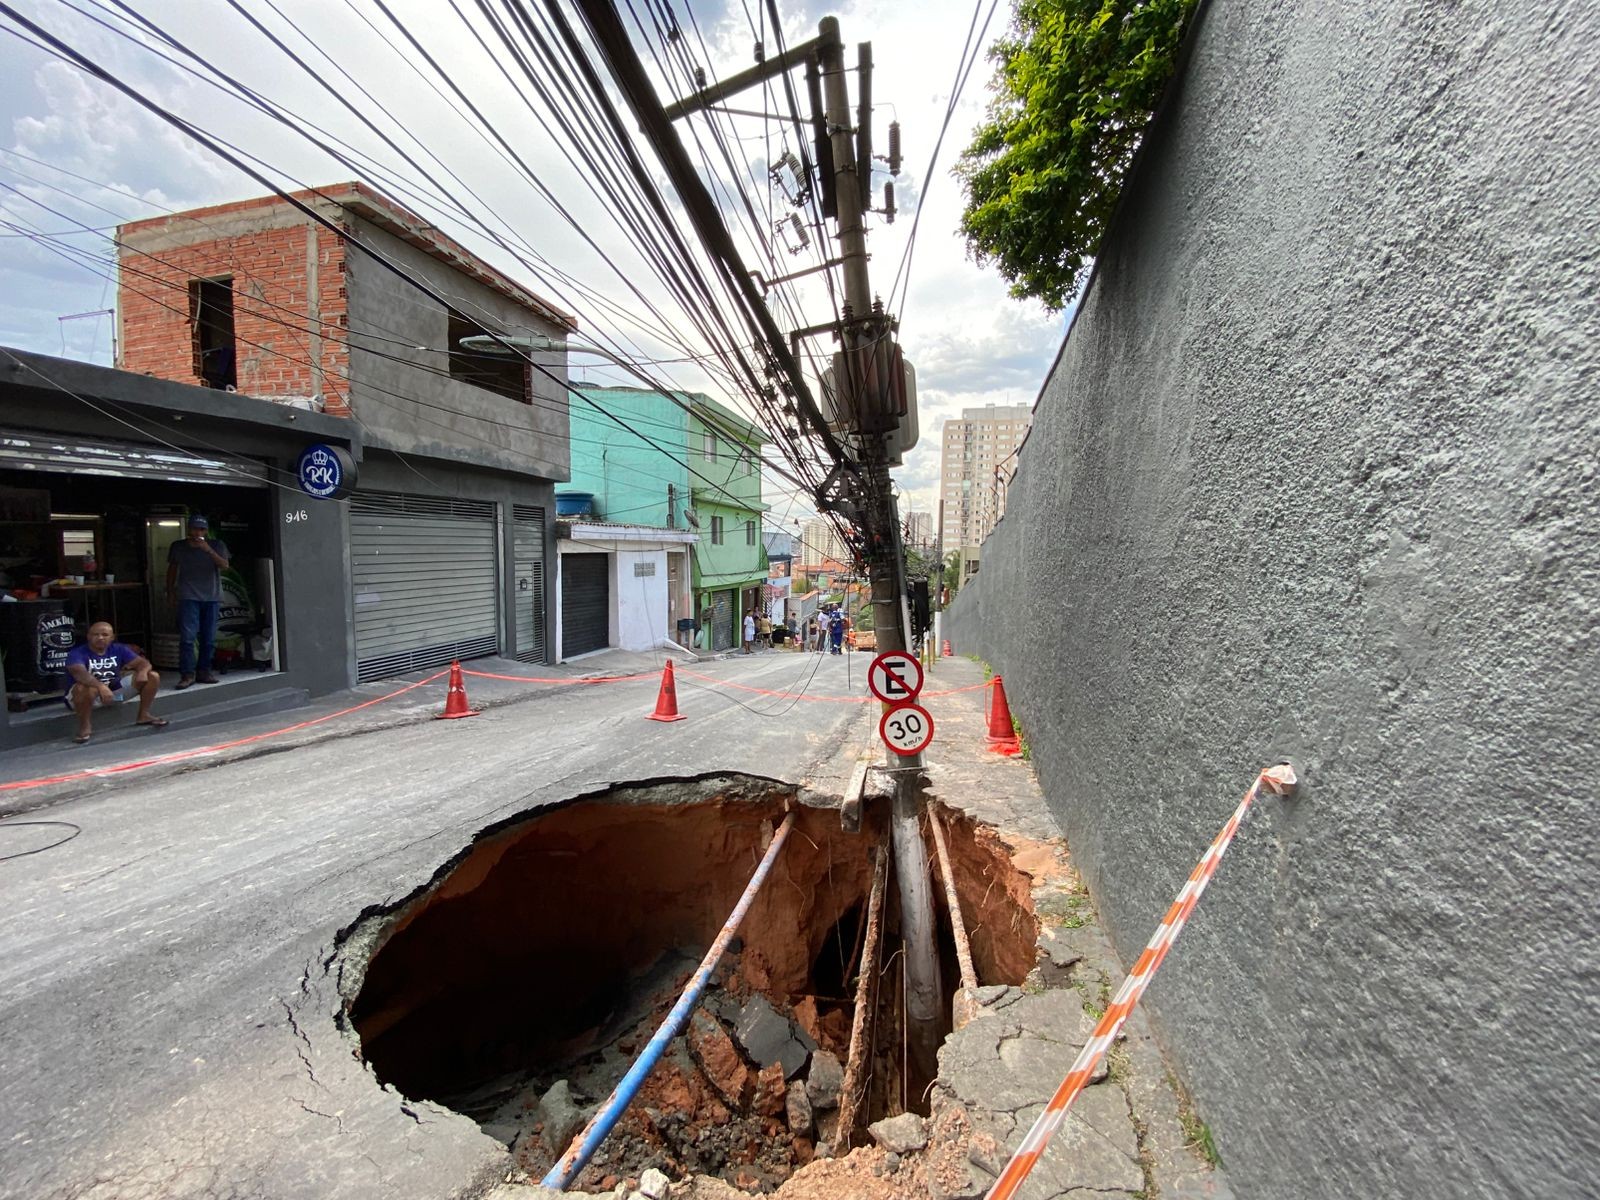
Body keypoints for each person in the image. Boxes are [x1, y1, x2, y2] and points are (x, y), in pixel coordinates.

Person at [64, 621, 165, 744]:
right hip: (86, 700)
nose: (100, 638)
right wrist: (101, 686)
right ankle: (85, 726)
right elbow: (80, 673)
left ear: (112, 637)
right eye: (95, 634)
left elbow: (143, 663)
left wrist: (142, 672)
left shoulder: (118, 649)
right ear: (88, 636)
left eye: (105, 635)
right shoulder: (76, 653)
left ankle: (143, 715)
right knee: (83, 688)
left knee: (152, 676)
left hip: (114, 697)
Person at [166, 514, 230, 688]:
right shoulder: (178, 547)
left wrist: (207, 549)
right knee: (187, 637)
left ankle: (204, 671)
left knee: (208, 638)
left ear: (206, 531)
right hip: (188, 596)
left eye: (201, 529)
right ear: (189, 529)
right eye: (195, 528)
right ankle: (187, 674)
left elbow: (224, 565)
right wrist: (170, 592)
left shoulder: (217, 545)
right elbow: (172, 569)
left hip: (212, 596)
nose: (198, 532)